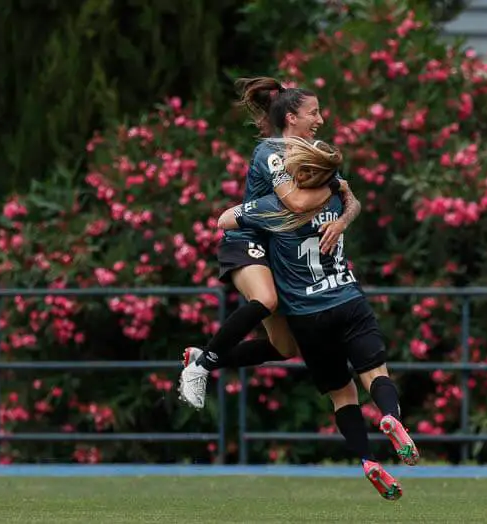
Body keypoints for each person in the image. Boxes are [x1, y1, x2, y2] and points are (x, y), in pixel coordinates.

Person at [217, 136, 419, 501]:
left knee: (343, 396)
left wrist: (259, 216)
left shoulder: (274, 207)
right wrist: (339, 203)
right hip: (347, 300)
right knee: (376, 374)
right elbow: (351, 199)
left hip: (306, 316)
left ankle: (367, 460)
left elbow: (225, 221)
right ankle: (391, 417)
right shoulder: (337, 196)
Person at [178, 77, 361, 409]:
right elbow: (295, 203)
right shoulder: (271, 151)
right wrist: (334, 185)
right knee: (265, 299)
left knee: (286, 348)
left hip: (275, 252)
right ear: (292, 117)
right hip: (246, 240)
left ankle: (206, 356)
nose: (321, 120)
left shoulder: (313, 153)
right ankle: (200, 369)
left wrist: (341, 218)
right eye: (314, 112)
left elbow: (353, 200)